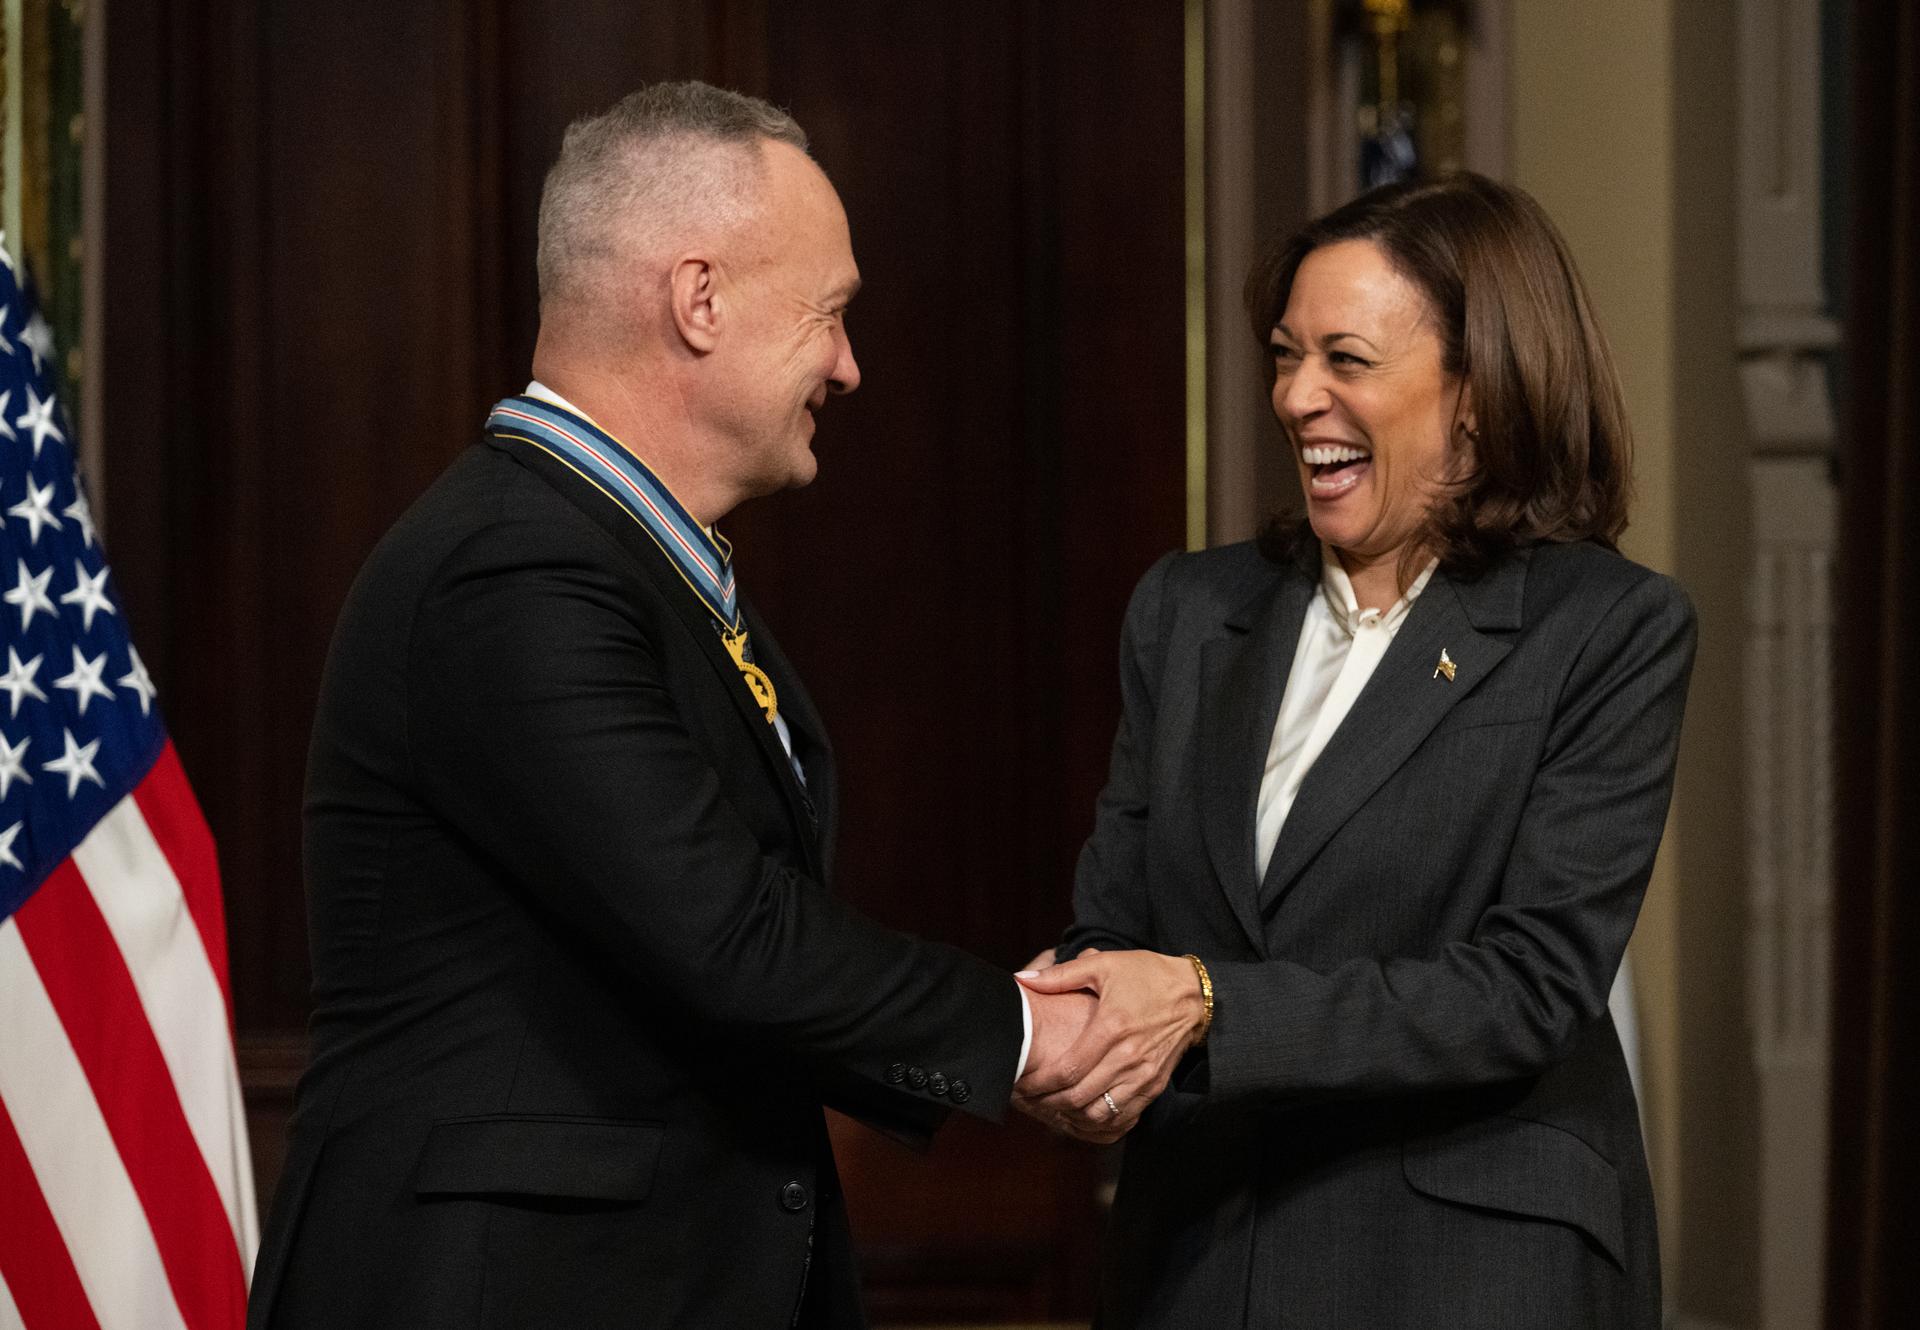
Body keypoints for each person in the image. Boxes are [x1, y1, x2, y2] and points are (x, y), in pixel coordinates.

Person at [247, 82, 1094, 1329]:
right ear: (699, 301)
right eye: (830, 313)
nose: (849, 365)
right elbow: (729, 934)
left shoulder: (621, 564)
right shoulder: (511, 565)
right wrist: (1030, 1034)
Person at [1014, 173, 1695, 1328]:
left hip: (1462, 1267)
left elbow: (1529, 987)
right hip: (1198, 1256)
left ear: (1477, 392)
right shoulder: (1188, 611)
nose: (1295, 396)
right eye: (1286, 356)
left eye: (1347, 359)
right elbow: (1115, 924)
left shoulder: (1607, 628)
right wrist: (1078, 1029)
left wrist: (1209, 1006)